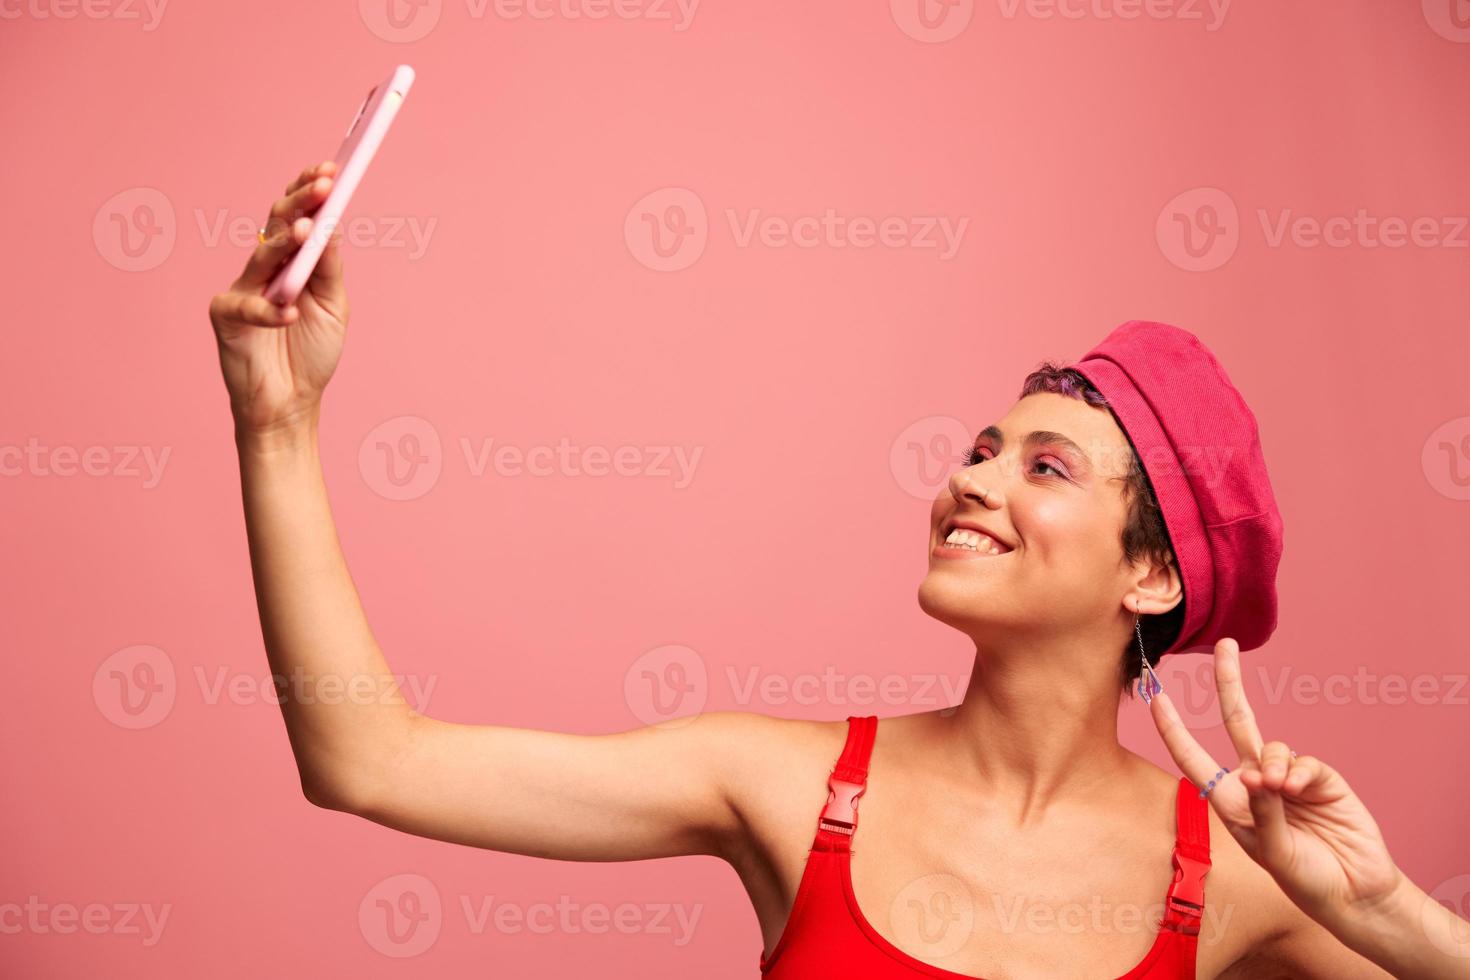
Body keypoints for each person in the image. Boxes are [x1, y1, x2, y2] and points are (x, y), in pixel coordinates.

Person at [208, 160, 1470, 978]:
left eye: (1045, 468)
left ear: (1151, 575)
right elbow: (367, 760)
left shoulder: (1245, 876)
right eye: (983, 448)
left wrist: (1388, 910)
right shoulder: (784, 781)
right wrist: (277, 421)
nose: (973, 478)